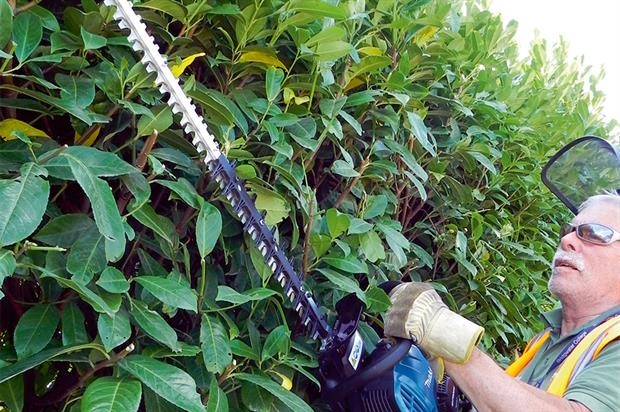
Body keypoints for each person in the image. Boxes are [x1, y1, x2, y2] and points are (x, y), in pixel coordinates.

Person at [385, 193, 620, 412]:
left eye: (593, 233)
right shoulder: (546, 340)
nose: (567, 240)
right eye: (568, 230)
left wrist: (445, 335)